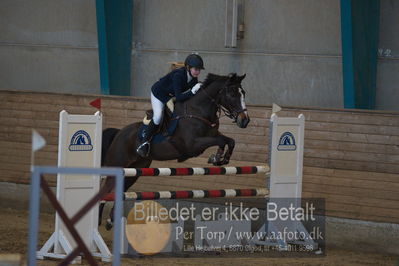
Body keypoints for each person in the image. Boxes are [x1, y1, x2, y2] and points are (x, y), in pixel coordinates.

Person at [136, 53, 205, 157]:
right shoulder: (178, 75)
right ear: (188, 68)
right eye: (196, 69)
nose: (198, 72)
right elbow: (179, 97)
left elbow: (189, 97)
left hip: (170, 96)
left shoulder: (193, 79)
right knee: (158, 116)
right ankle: (144, 143)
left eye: (199, 69)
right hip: (158, 94)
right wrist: (193, 92)